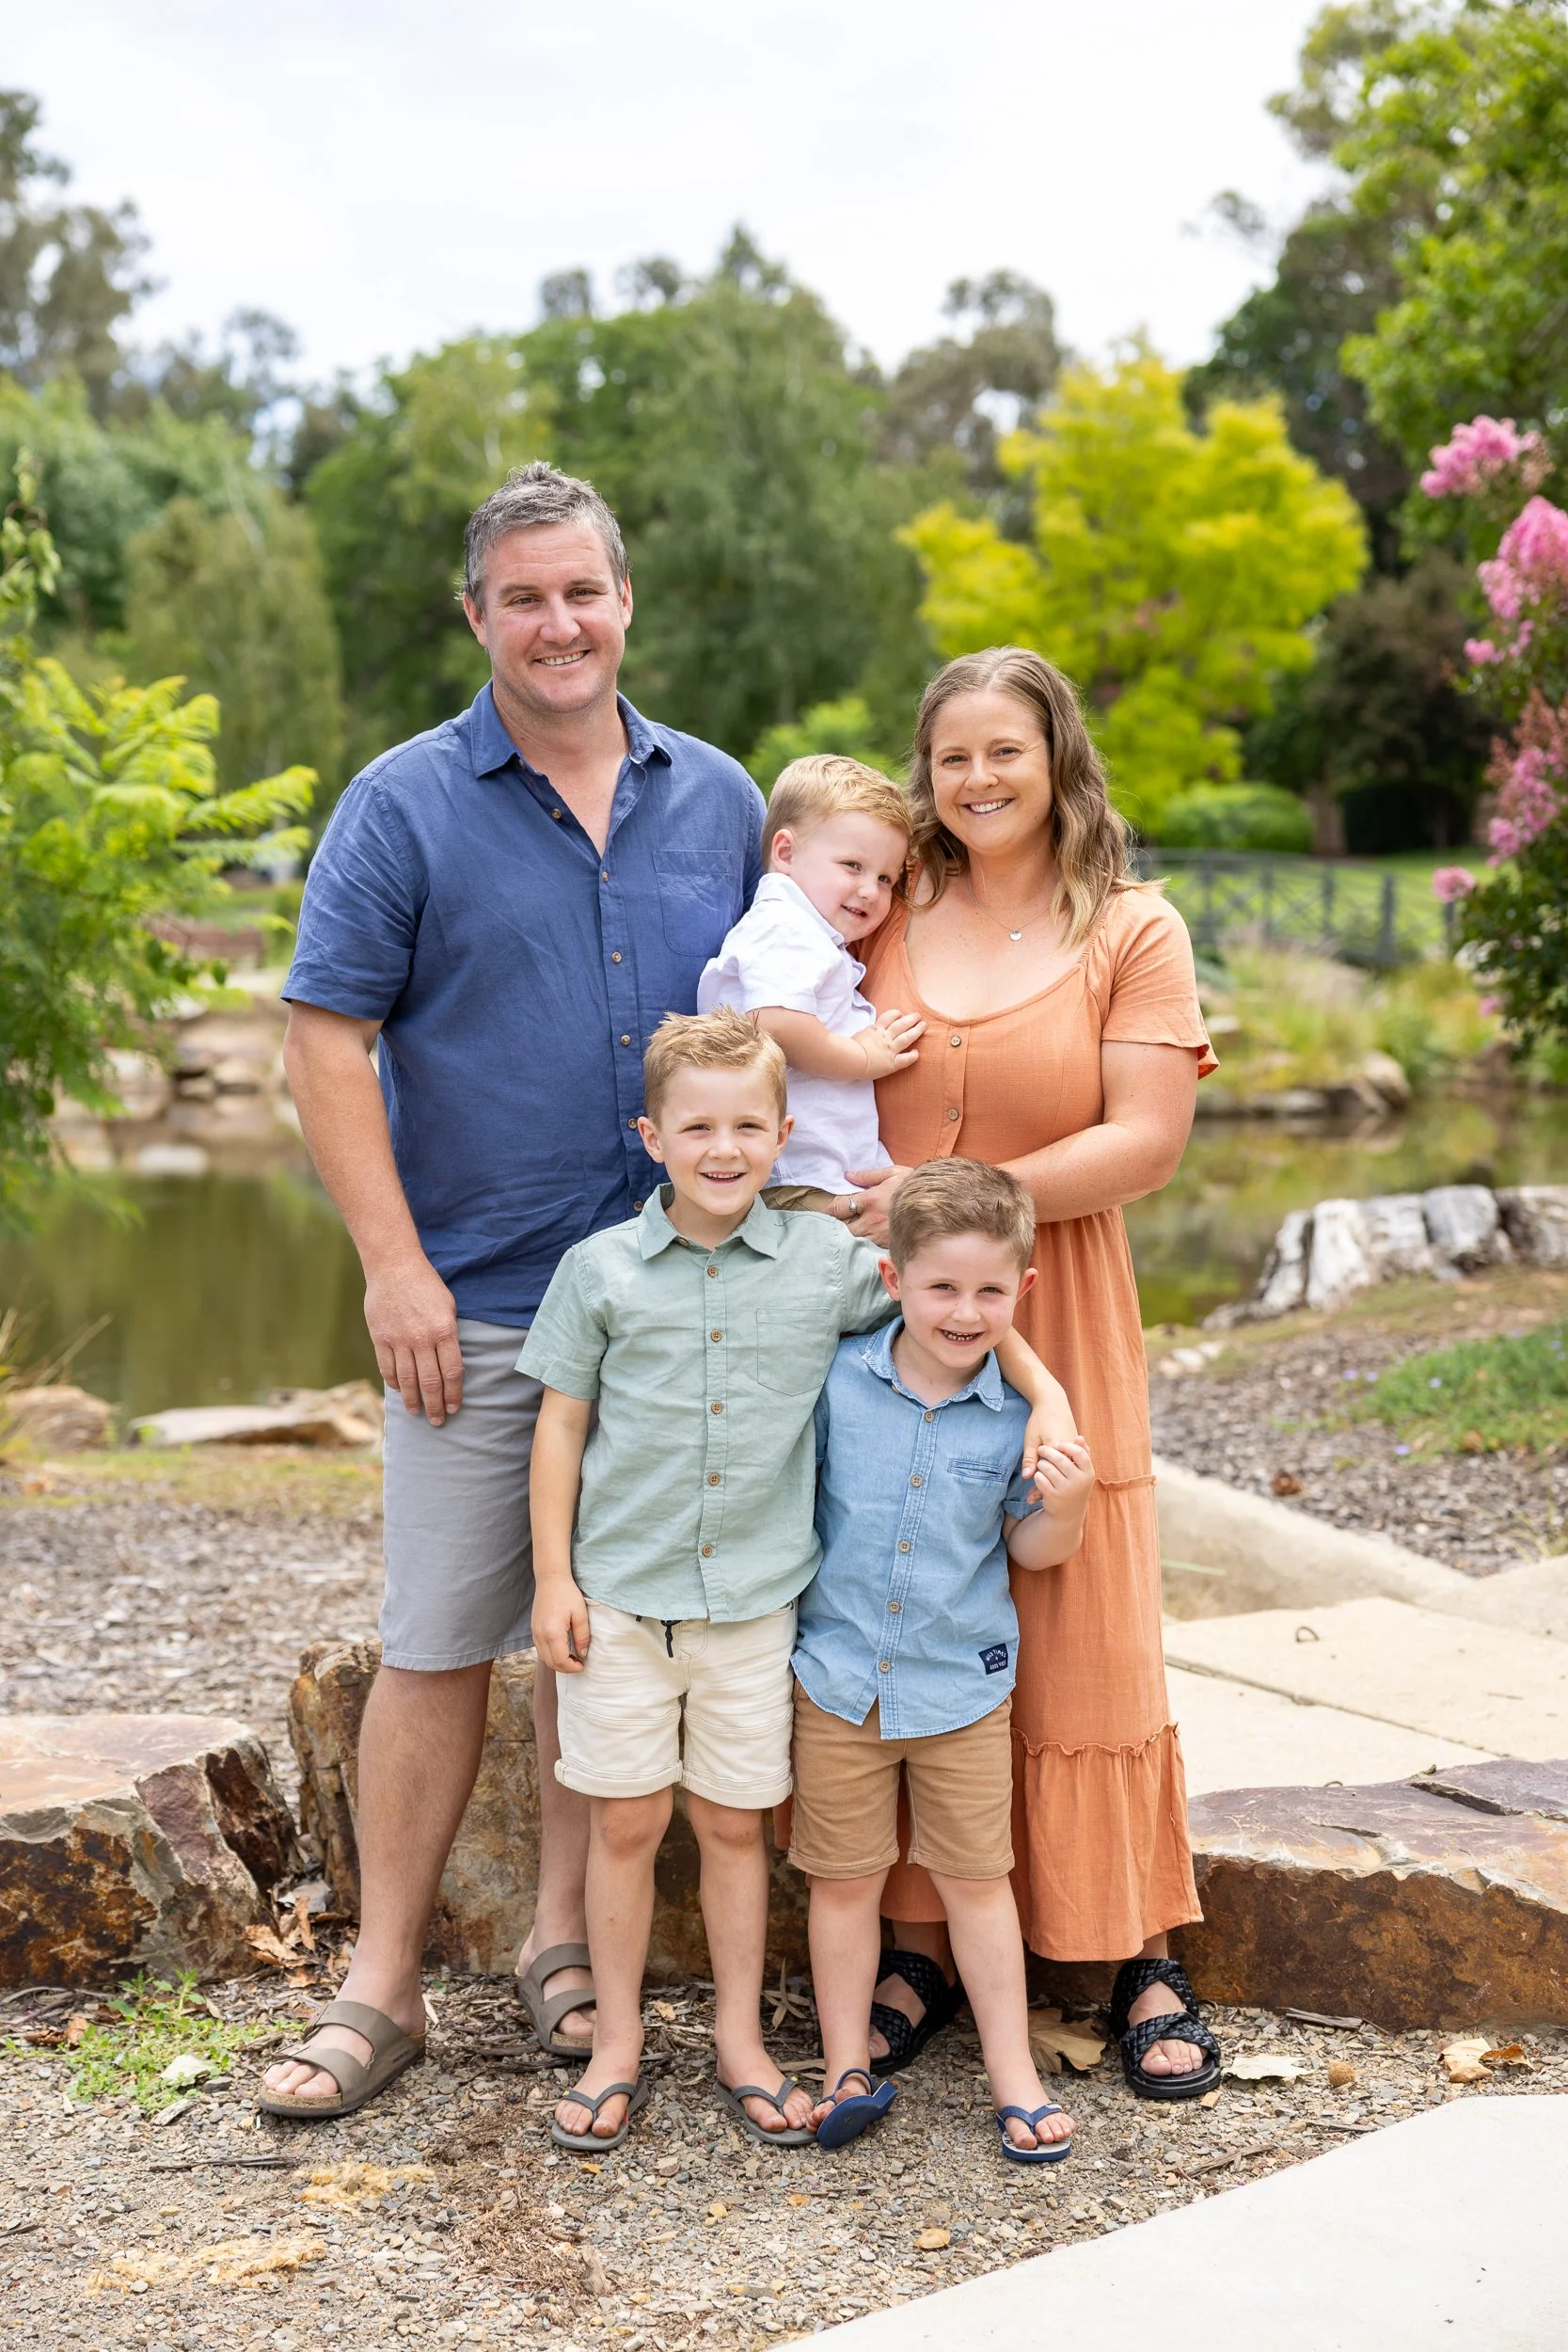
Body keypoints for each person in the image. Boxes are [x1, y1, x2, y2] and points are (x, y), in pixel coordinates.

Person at [260, 464, 765, 2119]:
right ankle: (381, 1982)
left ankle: (565, 1944)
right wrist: (390, 1264)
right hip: (475, 1298)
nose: (560, 623)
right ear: (478, 616)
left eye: (584, 592)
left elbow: (788, 1032)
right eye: (524, 596)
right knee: (436, 1640)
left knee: (602, 1629)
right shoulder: (401, 805)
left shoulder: (722, 801)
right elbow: (326, 1033)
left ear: (627, 603)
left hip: (683, 1312)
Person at [518, 1010, 1076, 2149]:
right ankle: (618, 2043)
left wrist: (1050, 1400)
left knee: (733, 1826)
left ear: (781, 1133)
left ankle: (738, 2038)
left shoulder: (832, 1265)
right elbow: (559, 1427)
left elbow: (960, 1306)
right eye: (696, 1126)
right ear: (652, 1134)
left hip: (759, 1606)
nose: (722, 1148)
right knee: (623, 1823)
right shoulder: (601, 1270)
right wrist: (550, 1580)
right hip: (622, 1594)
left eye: (746, 1125)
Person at [841, 646, 1225, 2101]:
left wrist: (953, 1200)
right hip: (894, 1332)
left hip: (1057, 1302)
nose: (978, 779)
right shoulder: (890, 912)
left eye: (1005, 750)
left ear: (1057, 759)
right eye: (951, 757)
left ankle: (1128, 1947)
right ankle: (923, 1939)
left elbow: (1142, 1141)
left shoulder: (1131, 925)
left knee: (1078, 1609)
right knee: (909, 1591)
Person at [792, 1160, 1094, 2163]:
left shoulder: (1017, 1420)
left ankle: (1012, 2072)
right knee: (842, 1880)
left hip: (961, 1686)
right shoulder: (838, 1381)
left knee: (975, 1880)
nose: (963, 1311)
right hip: (837, 1682)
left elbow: (1030, 1550)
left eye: (988, 1291)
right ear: (892, 1280)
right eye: (941, 1287)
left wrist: (1071, 1501)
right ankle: (844, 2064)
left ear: (1022, 1294)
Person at [697, 755, 924, 1207]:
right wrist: (861, 1056)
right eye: (852, 866)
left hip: (817, 1172)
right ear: (786, 853)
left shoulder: (809, 932)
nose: (870, 891)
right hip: (797, 1179)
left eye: (885, 878)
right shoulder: (786, 928)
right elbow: (776, 1022)